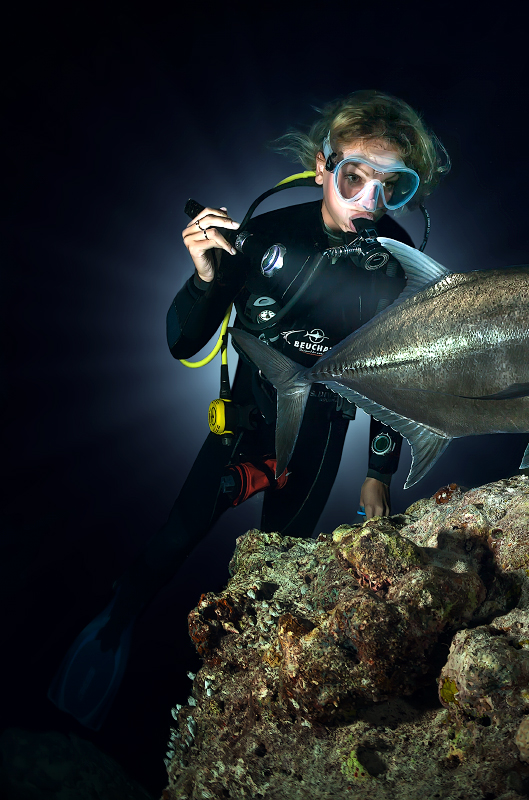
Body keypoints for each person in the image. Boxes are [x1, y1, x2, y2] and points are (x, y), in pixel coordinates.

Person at [48, 90, 450, 729]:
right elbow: (184, 342)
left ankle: (249, 702)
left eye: (391, 188)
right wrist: (205, 279)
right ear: (323, 168)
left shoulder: (401, 270)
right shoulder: (265, 235)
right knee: (171, 541)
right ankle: (115, 624)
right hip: (241, 427)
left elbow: (396, 381)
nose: (368, 203)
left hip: (318, 440)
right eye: (353, 178)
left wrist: (378, 474)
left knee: (279, 576)